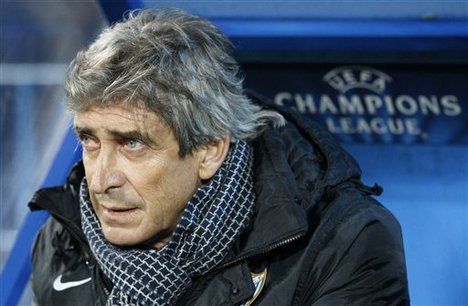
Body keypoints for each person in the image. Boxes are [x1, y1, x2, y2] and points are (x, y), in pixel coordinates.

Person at [29, 8, 409, 306]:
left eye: (132, 144)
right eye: (90, 141)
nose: (100, 181)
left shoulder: (343, 243)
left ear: (210, 149)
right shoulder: (62, 238)